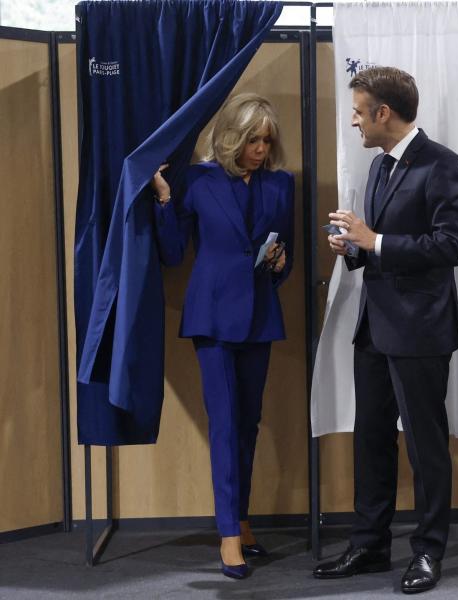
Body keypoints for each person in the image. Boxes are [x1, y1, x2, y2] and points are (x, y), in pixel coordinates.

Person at [313, 66, 458, 593]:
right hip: (374, 328)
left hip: (422, 331)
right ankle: (369, 546)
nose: (354, 123)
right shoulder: (379, 167)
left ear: (384, 112)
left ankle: (428, 553)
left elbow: (453, 246)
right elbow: (378, 243)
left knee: (426, 447)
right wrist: (354, 248)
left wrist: (374, 240)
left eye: (359, 112)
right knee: (372, 441)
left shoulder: (443, 164)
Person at [150, 93, 295, 580]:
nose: (260, 148)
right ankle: (227, 535)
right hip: (212, 317)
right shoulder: (198, 179)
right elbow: (172, 253)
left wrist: (280, 263)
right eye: (252, 139)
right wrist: (166, 199)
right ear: (232, 137)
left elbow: (286, 256)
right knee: (226, 425)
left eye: (266, 140)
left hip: (259, 316)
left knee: (249, 423)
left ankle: (244, 521)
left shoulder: (281, 184)